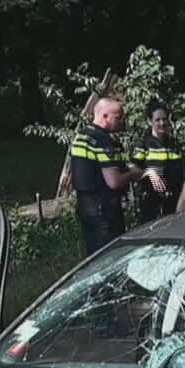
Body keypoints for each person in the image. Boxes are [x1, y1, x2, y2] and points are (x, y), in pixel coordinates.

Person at [67, 96, 133, 254]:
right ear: (105, 116)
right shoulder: (103, 140)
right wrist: (134, 174)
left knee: (93, 255)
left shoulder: (81, 136)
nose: (122, 121)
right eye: (118, 117)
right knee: (110, 255)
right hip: (104, 209)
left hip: (85, 206)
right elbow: (114, 181)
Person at [128, 101, 185, 225]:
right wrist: (149, 173)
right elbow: (132, 169)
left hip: (173, 200)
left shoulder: (174, 143)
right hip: (150, 200)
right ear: (150, 121)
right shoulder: (143, 144)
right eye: (157, 120)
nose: (162, 123)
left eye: (164, 119)